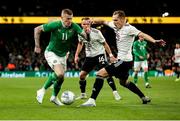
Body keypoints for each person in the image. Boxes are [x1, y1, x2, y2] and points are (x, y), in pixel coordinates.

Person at [79, 10, 166, 107]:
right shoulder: (115, 25)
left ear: (122, 19)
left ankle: (92, 100)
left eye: (116, 20)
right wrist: (93, 20)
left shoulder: (130, 29)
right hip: (126, 61)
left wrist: (154, 41)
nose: (114, 22)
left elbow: (142, 34)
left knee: (100, 74)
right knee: (123, 82)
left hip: (122, 61)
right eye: (113, 20)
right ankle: (143, 97)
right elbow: (103, 21)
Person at [34, 8, 86, 106]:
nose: (69, 21)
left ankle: (54, 97)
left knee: (61, 79)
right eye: (67, 19)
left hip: (63, 55)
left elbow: (83, 34)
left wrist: (87, 35)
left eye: (70, 19)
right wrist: (37, 45)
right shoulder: (55, 25)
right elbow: (37, 29)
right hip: (51, 52)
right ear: (61, 18)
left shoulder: (74, 26)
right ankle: (42, 90)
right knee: (60, 74)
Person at [74, 17, 121, 101]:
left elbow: (105, 44)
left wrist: (110, 55)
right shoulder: (80, 33)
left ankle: (115, 92)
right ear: (81, 25)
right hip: (89, 57)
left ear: (90, 24)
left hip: (100, 55)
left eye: (87, 24)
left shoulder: (97, 32)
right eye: (83, 24)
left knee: (106, 73)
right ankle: (83, 94)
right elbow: (80, 44)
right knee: (81, 75)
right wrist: (76, 55)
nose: (85, 26)